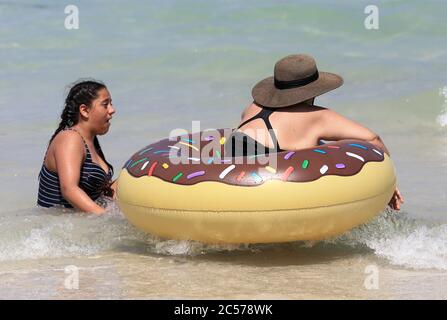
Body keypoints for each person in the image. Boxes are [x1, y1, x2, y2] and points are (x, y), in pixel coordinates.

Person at [226, 54, 404, 211]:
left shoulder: (252, 107)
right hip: (268, 189)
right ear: (313, 90)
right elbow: (373, 139)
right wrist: (388, 183)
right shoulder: (317, 116)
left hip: (228, 182)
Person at [37, 80, 116, 214]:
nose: (112, 110)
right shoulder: (70, 139)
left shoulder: (91, 142)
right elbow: (69, 189)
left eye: (111, 104)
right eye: (105, 104)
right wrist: (107, 219)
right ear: (84, 110)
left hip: (76, 224)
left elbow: (101, 193)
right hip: (57, 228)